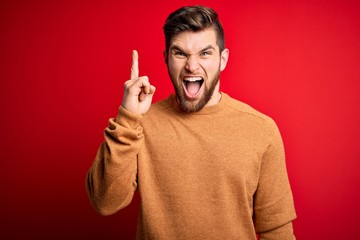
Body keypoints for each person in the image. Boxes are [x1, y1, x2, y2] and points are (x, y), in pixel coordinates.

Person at [86, 5, 296, 240]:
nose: (192, 66)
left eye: (205, 53)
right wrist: (127, 117)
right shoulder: (139, 124)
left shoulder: (261, 130)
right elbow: (104, 201)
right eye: (180, 53)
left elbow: (276, 230)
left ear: (222, 59)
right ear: (166, 59)